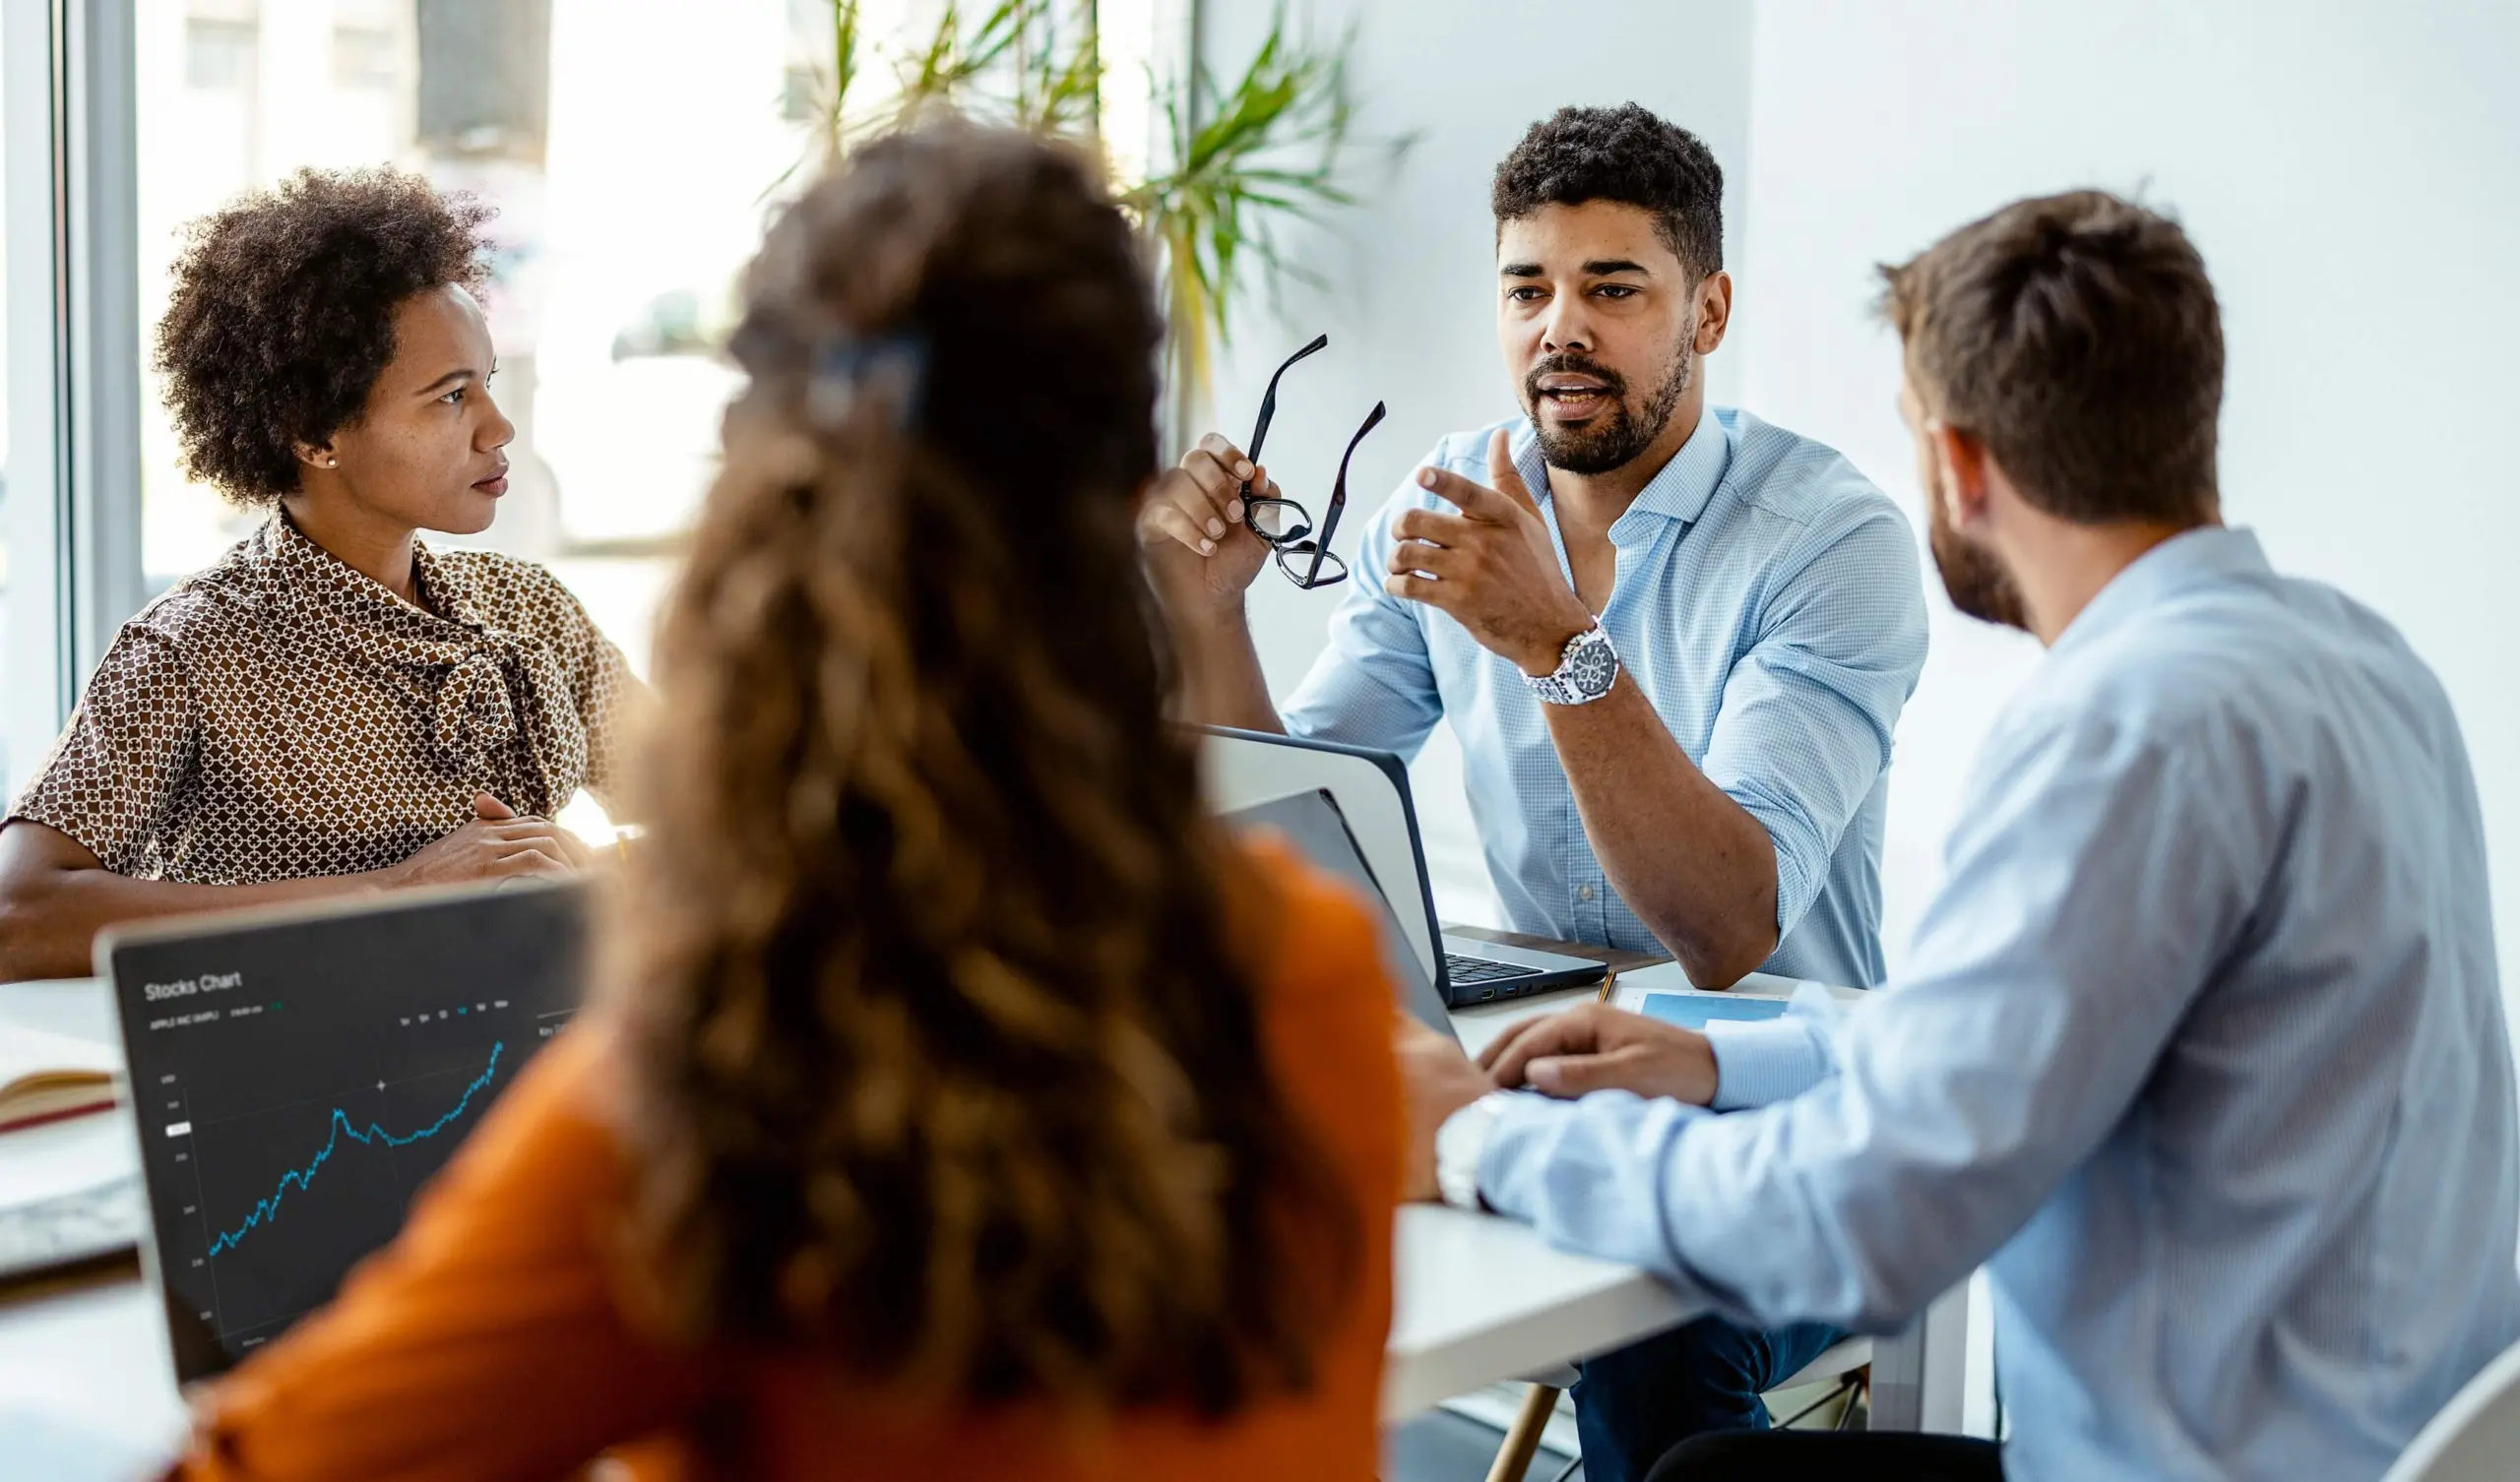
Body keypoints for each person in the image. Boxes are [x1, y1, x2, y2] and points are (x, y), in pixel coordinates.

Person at [160, 123, 1403, 1481]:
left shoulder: (718, 1104)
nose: (493, 428)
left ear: (763, 498)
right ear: (1127, 488)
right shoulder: (1317, 971)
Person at [1401, 189, 2520, 1480]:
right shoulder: (2363, 662)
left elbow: (1863, 1221)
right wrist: (1722, 1061)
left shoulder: (2127, 729)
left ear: (1964, 465)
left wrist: (1476, 1136)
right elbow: (2029, 1039)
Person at [1140, 103, 1929, 1474]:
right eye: (1528, 288)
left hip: (1783, 1111)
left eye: (1612, 289)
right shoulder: (1444, 502)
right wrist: (1210, 619)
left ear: (1711, 309)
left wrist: (1557, 647)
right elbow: (1302, 826)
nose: (1559, 327)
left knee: (1656, 1340)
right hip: (1536, 1071)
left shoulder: (1828, 540)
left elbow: (1729, 924)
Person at [0, 168, 634, 981]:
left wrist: (596, 874)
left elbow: (716, 822)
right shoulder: (192, 650)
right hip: (305, 1087)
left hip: (527, 1053)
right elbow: (19, 915)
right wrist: (390, 893)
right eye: (449, 397)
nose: (498, 427)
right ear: (314, 432)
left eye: (489, 385)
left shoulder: (530, 607)